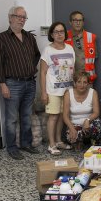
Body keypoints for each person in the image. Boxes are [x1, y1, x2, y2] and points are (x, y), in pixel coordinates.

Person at [0, 6, 41, 160]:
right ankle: (12, 148)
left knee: (26, 115)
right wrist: (2, 84)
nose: (21, 19)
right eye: (18, 16)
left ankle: (26, 144)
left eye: (24, 17)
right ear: (10, 18)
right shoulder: (2, 38)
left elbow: (37, 55)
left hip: (29, 83)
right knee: (12, 118)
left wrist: (30, 68)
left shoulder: (29, 37)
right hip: (11, 84)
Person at [40, 22, 75, 155]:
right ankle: (51, 144)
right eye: (56, 32)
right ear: (52, 34)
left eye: (61, 31)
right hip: (52, 90)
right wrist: (43, 92)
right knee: (53, 116)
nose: (59, 34)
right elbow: (42, 72)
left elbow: (73, 69)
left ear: (65, 33)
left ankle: (59, 141)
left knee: (62, 116)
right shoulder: (48, 50)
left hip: (67, 90)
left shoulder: (70, 48)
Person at [62, 72, 101, 150]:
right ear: (75, 83)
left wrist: (87, 120)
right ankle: (81, 141)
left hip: (89, 123)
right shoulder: (68, 93)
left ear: (88, 84)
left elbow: (96, 112)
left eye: (85, 82)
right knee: (73, 140)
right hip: (74, 124)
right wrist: (72, 129)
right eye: (79, 82)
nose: (82, 85)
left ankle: (93, 141)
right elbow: (65, 116)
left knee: (97, 125)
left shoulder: (93, 92)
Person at [65, 11, 97, 83]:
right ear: (70, 22)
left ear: (83, 22)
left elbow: (94, 57)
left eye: (80, 20)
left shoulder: (91, 37)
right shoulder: (64, 37)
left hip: (87, 79)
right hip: (70, 79)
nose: (78, 23)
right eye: (75, 20)